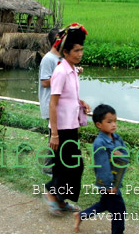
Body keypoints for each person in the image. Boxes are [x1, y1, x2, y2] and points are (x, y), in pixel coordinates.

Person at [43, 23, 91, 216]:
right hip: (61, 129)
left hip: (71, 126)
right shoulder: (61, 72)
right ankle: (52, 194)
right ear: (66, 51)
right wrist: (54, 134)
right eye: (76, 50)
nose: (80, 54)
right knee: (71, 166)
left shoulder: (72, 70)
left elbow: (68, 97)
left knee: (69, 166)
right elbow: (53, 103)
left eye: (81, 50)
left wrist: (81, 103)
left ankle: (60, 200)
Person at [74, 104, 128, 234]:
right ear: (99, 124)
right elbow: (102, 166)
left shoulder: (116, 137)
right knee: (119, 211)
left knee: (104, 204)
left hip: (115, 180)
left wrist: (120, 153)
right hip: (108, 183)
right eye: (109, 122)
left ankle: (81, 215)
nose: (113, 125)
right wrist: (109, 186)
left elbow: (124, 152)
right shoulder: (99, 143)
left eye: (115, 121)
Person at [38, 28, 61, 176]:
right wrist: (63, 77)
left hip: (60, 104)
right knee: (53, 136)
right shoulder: (48, 59)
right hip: (50, 103)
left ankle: (55, 166)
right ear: (57, 41)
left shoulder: (61, 58)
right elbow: (45, 82)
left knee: (57, 135)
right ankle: (47, 167)